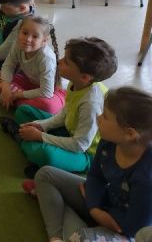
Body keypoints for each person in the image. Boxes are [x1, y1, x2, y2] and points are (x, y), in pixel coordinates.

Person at [33, 86, 152, 242]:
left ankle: (59, 209)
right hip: (101, 204)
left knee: (81, 237)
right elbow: (95, 176)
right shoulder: (109, 140)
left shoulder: (146, 177)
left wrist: (97, 210)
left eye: (105, 116)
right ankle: (56, 236)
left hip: (124, 231)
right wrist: (94, 207)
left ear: (129, 134)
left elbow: (134, 229)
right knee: (45, 175)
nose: (98, 117)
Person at [0, 37, 118, 179]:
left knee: (47, 155)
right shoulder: (76, 83)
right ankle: (31, 146)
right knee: (23, 111)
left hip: (86, 154)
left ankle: (21, 138)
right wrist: (41, 125)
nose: (59, 61)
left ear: (85, 77)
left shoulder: (91, 104)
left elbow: (80, 145)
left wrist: (40, 136)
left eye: (66, 62)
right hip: (69, 132)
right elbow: (65, 113)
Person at [0, 15, 66, 115]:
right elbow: (8, 66)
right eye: (25, 33)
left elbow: (46, 92)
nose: (28, 39)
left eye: (35, 36)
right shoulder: (18, 44)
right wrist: (6, 88)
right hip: (30, 83)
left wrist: (17, 95)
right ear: (19, 32)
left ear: (44, 41)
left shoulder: (46, 58)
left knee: (49, 107)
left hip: (53, 91)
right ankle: (12, 99)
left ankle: (8, 97)